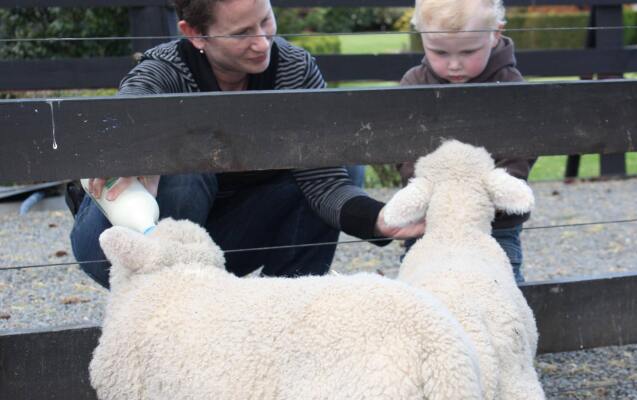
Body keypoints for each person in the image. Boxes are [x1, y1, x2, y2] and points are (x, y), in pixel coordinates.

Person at [69, 0, 423, 289]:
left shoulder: (294, 71)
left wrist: (380, 220)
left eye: (266, 20)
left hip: (225, 238)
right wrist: (126, 148)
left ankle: (281, 319)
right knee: (186, 172)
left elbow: (324, 182)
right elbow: (123, 111)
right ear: (195, 35)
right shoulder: (166, 71)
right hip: (122, 244)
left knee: (343, 163)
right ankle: (174, 314)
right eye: (241, 33)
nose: (261, 42)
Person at [398, 0, 536, 282]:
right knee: (423, 285)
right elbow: (402, 148)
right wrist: (423, 189)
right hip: (430, 221)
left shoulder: (509, 85)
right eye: (438, 52)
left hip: (494, 224)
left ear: (495, 34)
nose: (453, 64)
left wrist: (491, 193)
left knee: (501, 286)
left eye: (468, 51)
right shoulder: (415, 83)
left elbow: (520, 152)